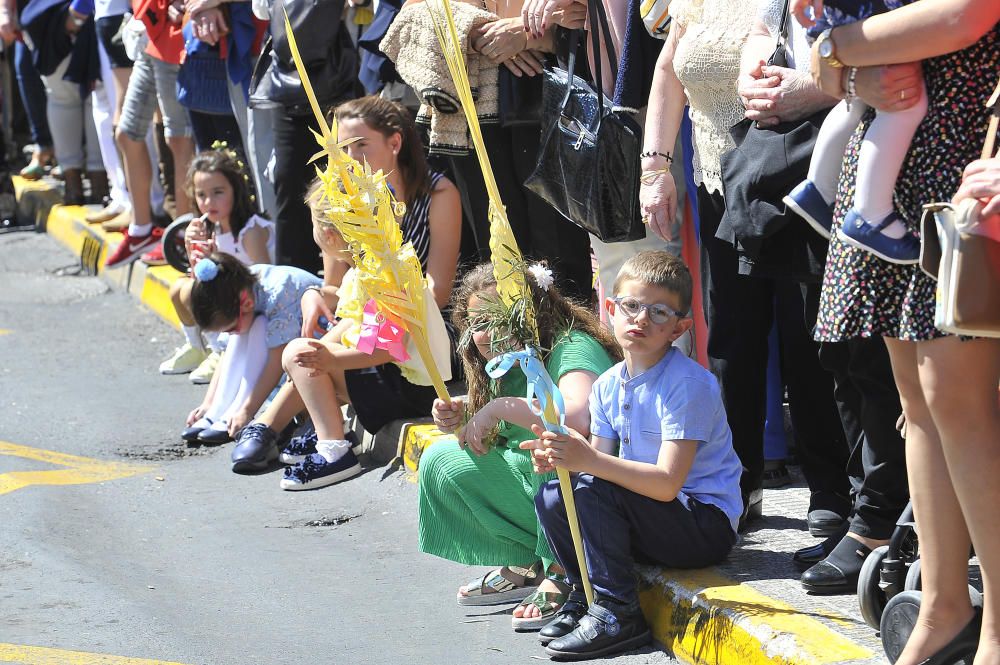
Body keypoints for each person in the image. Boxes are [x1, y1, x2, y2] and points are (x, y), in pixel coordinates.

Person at [808, 2, 999, 662]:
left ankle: (998, 625)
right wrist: (842, 69)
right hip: (896, 170)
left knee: (955, 398)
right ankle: (945, 605)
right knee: (916, 402)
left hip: (970, 154)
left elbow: (963, 16)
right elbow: (816, 64)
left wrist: (835, 47)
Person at [641, 0, 849, 530]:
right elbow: (669, 69)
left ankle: (830, 489)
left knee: (810, 338)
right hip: (719, 179)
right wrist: (655, 167)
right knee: (733, 339)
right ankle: (736, 485)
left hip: (799, 171)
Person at [524, 250, 742, 659]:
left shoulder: (688, 385)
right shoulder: (607, 385)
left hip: (701, 525)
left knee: (586, 486)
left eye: (659, 312)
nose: (641, 319)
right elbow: (598, 468)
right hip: (656, 516)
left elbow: (666, 484)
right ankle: (585, 593)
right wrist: (566, 460)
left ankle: (618, 613)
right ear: (610, 309)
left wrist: (585, 462)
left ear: (680, 328)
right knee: (555, 494)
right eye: (631, 306)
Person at [231, 95, 463, 475]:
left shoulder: (437, 194)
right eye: (341, 148)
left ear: (394, 143)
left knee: (318, 348)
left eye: (360, 145)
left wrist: (346, 336)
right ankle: (285, 426)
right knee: (322, 338)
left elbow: (436, 292)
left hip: (420, 330)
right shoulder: (342, 200)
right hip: (373, 322)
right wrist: (312, 296)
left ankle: (296, 432)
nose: (349, 157)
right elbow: (336, 285)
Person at [418, 262, 620, 631]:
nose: (489, 333)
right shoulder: (503, 361)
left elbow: (572, 421)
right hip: (550, 490)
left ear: (533, 310)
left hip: (601, 496)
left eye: (501, 318)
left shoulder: (571, 345)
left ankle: (565, 569)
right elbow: (512, 419)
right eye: (478, 324)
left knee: (543, 447)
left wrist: (497, 409)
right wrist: (467, 412)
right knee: (439, 460)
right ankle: (531, 562)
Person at [782, 0, 925, 264]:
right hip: (875, 18)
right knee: (904, 102)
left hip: (847, 15)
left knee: (860, 98)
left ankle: (818, 187)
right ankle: (871, 214)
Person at [160, 148, 275, 385]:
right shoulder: (213, 226)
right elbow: (200, 276)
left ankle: (221, 352)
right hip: (232, 296)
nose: (208, 202)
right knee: (181, 287)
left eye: (218, 192)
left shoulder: (249, 231)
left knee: (200, 291)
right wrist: (195, 252)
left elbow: (266, 279)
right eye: (201, 195)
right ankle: (200, 348)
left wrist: (217, 262)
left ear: (236, 189)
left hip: (254, 303)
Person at [182, 252, 320, 445]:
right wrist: (209, 403)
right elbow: (227, 355)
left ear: (245, 303)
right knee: (252, 326)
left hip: (310, 348)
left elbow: (275, 362)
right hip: (279, 350)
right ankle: (219, 411)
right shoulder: (239, 287)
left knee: (258, 323)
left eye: (231, 328)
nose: (231, 334)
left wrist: (247, 411)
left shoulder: (279, 293)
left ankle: (238, 407)